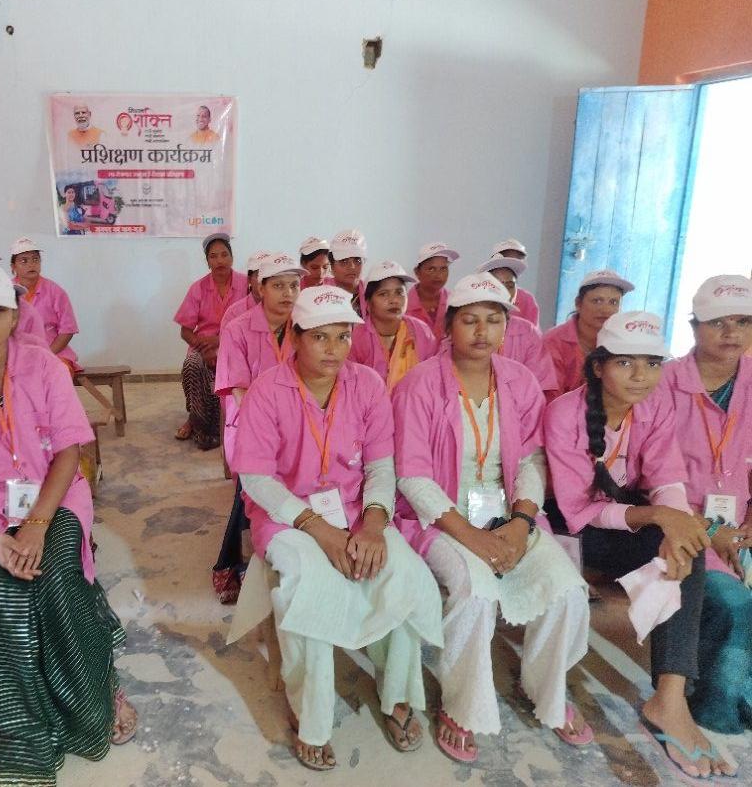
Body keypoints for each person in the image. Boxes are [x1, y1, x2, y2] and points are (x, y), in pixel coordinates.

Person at [0, 263, 135, 787]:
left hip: (55, 499)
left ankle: (96, 695)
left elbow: (68, 453)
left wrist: (36, 524)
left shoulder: (44, 367)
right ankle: (10, 731)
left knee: (54, 572)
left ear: (16, 316)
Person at [232, 284, 443, 770]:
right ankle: (311, 715)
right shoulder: (268, 390)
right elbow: (257, 479)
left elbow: (381, 467)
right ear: (295, 337)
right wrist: (318, 530)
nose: (333, 349)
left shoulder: (366, 385)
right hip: (287, 518)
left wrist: (373, 525)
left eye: (343, 336)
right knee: (312, 588)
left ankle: (397, 693)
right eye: (320, 337)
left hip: (354, 510)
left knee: (404, 574)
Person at [394, 273, 592, 764]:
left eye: (494, 320)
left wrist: (521, 524)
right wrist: (473, 539)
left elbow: (531, 461)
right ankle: (462, 706)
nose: (482, 332)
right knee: (476, 591)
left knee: (566, 587)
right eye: (469, 320)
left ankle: (547, 690)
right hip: (439, 518)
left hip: (508, 515)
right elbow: (412, 476)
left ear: (507, 326)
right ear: (448, 326)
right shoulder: (419, 385)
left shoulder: (519, 381)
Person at [544, 310, 735, 779]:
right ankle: (668, 703)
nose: (641, 376)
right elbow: (579, 510)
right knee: (670, 536)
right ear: (598, 367)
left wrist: (675, 528)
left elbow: (667, 476)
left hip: (628, 516)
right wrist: (659, 518)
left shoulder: (655, 404)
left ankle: (669, 699)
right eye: (625, 363)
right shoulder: (564, 413)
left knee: (686, 550)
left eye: (652, 364)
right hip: (572, 529)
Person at [657, 277, 752, 738]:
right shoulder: (663, 384)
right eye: (718, 322)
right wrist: (709, 530)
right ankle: (716, 704)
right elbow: (650, 478)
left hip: (740, 527)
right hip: (683, 527)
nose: (732, 333)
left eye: (743, 322)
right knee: (733, 601)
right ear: (694, 327)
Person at [211, 253, 304, 603]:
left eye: (293, 285)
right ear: (260, 287)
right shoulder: (237, 328)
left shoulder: (305, 327)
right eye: (278, 285)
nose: (288, 293)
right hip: (251, 425)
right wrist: (276, 426)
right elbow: (239, 389)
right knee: (251, 490)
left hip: (301, 426)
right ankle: (232, 563)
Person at [173, 233, 248, 450]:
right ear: (207, 262)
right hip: (203, 346)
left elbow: (252, 321)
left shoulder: (246, 285)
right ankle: (195, 420)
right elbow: (185, 331)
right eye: (213, 256)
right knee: (192, 365)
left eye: (224, 254)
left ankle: (231, 422)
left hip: (238, 347)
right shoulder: (198, 288)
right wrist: (204, 347)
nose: (220, 261)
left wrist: (219, 342)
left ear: (232, 257)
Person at [348, 260, 438, 391]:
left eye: (399, 292)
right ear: (368, 303)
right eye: (383, 294)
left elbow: (434, 378)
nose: (394, 300)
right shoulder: (357, 338)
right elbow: (351, 386)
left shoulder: (421, 331)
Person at [543, 269, 633, 397]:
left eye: (613, 302)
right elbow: (550, 398)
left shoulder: (624, 342)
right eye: (597, 301)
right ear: (578, 303)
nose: (606, 309)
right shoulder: (553, 342)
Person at [471, 265, 559, 396]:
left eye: (510, 285)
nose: (504, 291)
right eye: (496, 284)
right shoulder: (465, 329)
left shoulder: (528, 333)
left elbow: (542, 386)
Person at [10, 237, 82, 372]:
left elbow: (67, 330)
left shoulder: (55, 291)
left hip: (54, 353)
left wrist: (46, 355)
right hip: (16, 356)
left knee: (58, 373)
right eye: (24, 261)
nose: (31, 264)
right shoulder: (4, 292)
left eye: (35, 259)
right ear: (13, 267)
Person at [405, 242, 459, 339]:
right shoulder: (403, 306)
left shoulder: (456, 303)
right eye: (431, 269)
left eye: (443, 268)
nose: (438, 275)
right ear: (417, 272)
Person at [490, 239, 540, 326]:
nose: (512, 265)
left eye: (518, 261)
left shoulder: (527, 300)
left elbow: (532, 332)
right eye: (508, 260)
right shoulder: (478, 294)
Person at [220, 250, 271, 327]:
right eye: (260, 275)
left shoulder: (285, 309)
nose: (265, 281)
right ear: (249, 279)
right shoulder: (234, 313)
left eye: (270, 275)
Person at [324, 229, 367, 317]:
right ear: (331, 266)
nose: (352, 266)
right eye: (344, 261)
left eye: (357, 260)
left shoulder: (372, 293)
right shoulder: (320, 295)